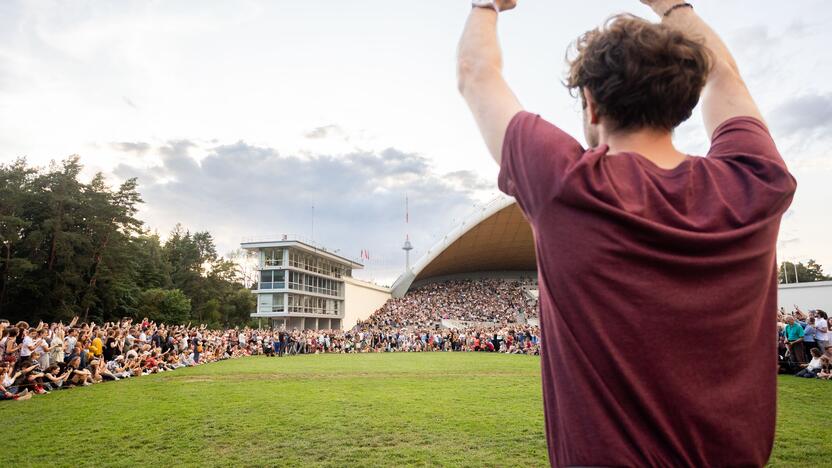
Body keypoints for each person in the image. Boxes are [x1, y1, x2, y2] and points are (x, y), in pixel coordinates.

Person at [458, 1, 796, 466]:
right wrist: (669, 6)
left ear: (592, 105)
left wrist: (487, 5)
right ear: (684, 100)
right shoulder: (754, 182)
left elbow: (476, 73)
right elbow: (726, 77)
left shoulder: (569, 186)